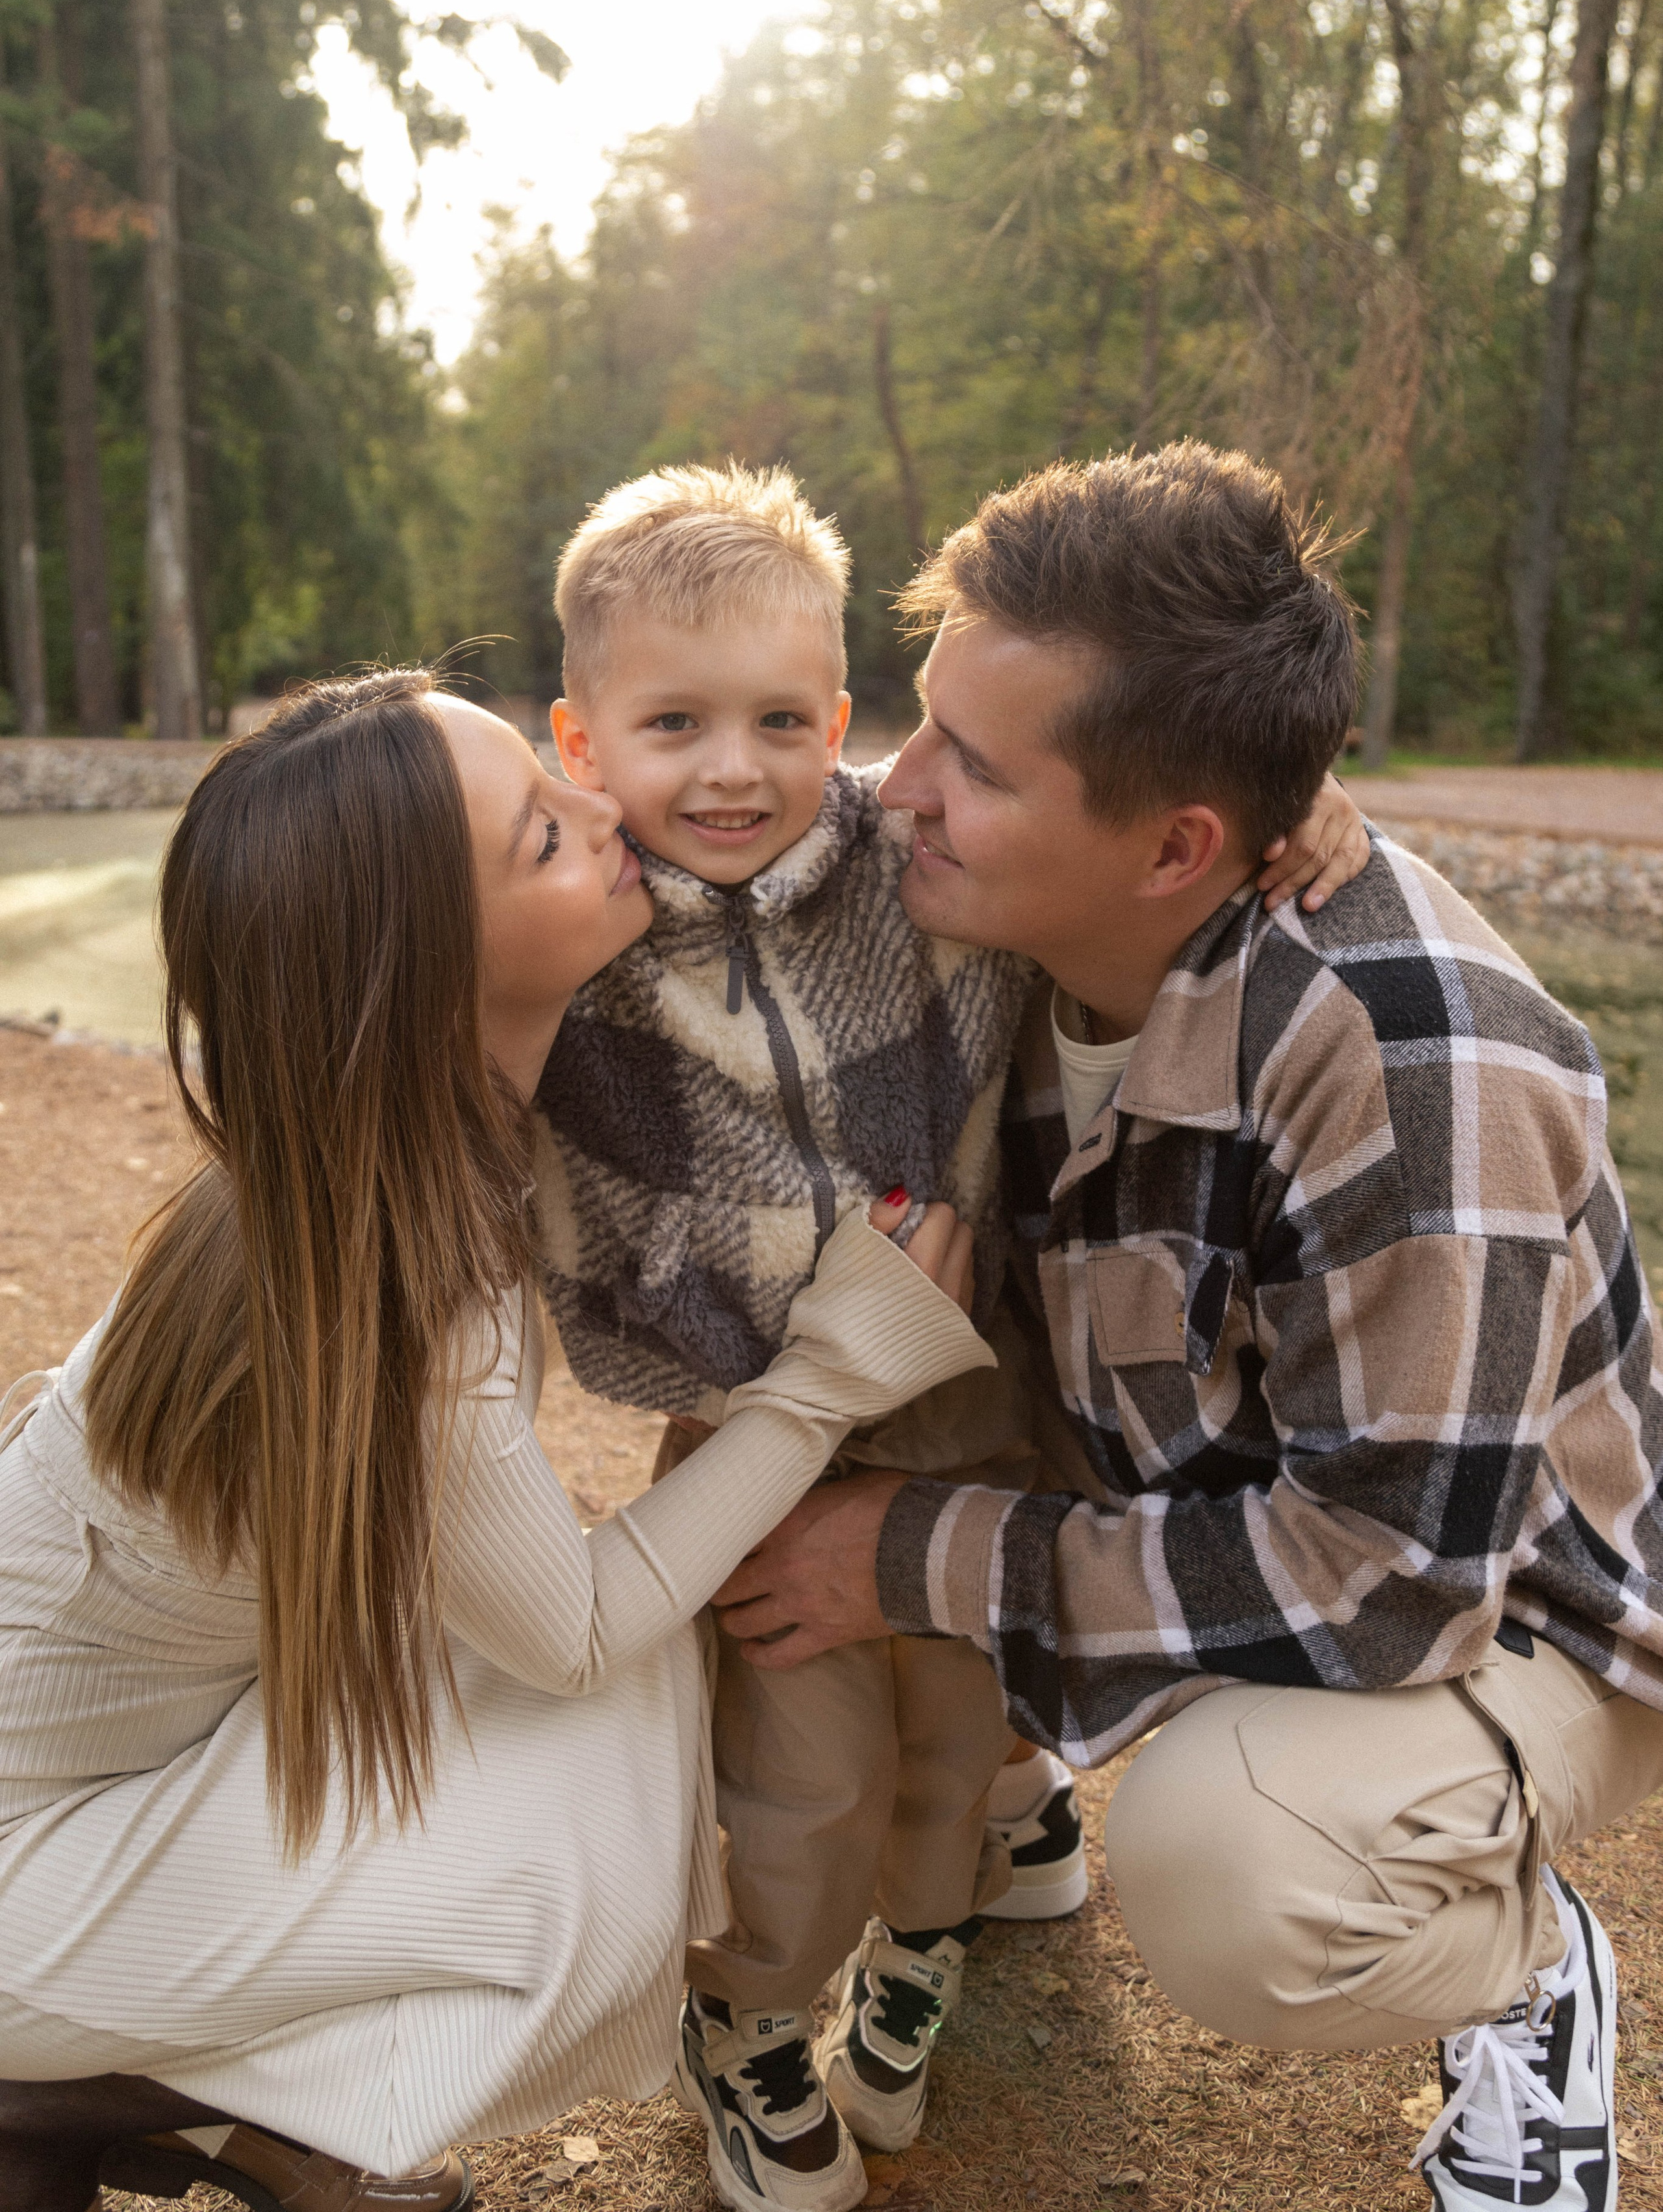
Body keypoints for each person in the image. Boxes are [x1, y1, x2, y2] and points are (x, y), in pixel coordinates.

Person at [711, 446, 1663, 2212]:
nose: (889, 792)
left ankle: (1516, 1970)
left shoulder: (1416, 1066)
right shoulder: (1012, 902)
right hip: (1197, 1457)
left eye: (971, 767)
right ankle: (1001, 1799)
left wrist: (913, 1551)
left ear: (1177, 846)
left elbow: (1384, 1581)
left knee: (1239, 1866)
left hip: (1509, 1595)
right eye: (919, 725)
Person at [0, 671, 995, 2212]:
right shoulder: (406, 1292)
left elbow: (792, 810)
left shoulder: (348, 1162)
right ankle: (100, 2088)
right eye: (544, 833)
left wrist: (1261, 795)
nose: (608, 812)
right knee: (598, 1786)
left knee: (564, 1684)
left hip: (116, 1765)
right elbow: (582, 1633)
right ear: (431, 968)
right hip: (24, 1874)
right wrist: (822, 1382)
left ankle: (192, 2088)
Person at [535, 461, 1370, 2209]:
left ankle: (942, 1921)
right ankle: (751, 2016)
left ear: (840, 720)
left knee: (964, 1722)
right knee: (802, 1778)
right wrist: (794, 1313)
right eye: (672, 724)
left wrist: (1311, 818)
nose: (735, 769)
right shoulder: (588, 941)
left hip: (985, 1391)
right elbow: (448, 979)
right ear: (583, 743)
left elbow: (1128, 833)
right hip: (770, 1429)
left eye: (782, 720)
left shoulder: (906, 864)